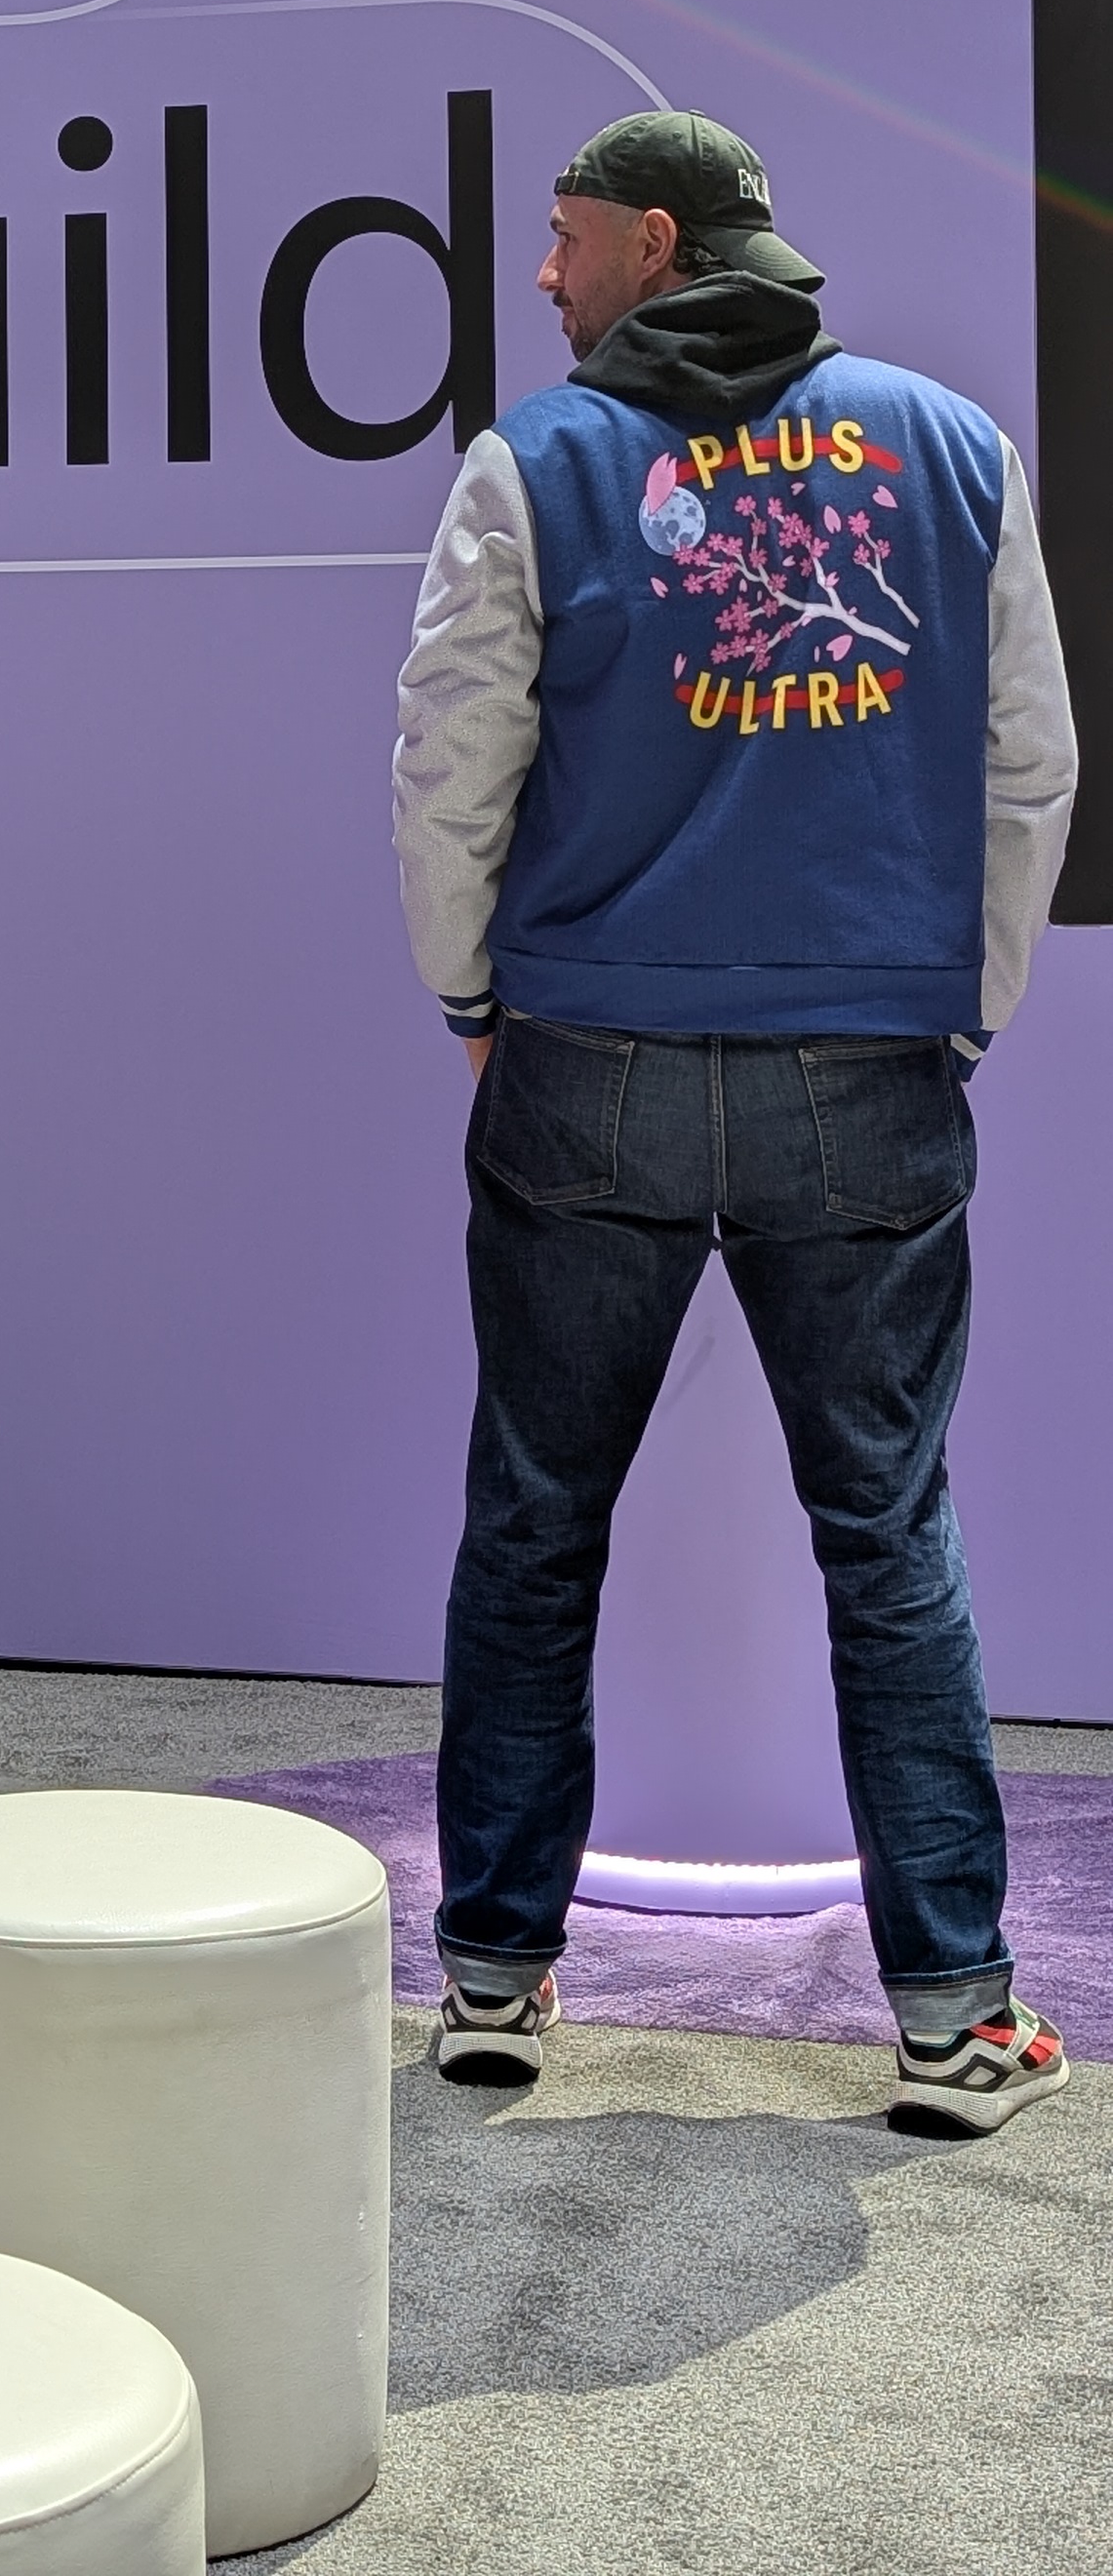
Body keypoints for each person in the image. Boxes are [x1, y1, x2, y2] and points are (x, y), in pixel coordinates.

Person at [391, 110, 1076, 2135]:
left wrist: (468, 995)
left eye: (565, 238)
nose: (543, 277)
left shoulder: (537, 464)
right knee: (888, 1538)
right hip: (861, 1079)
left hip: (584, 1067)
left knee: (534, 1524)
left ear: (658, 241)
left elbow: (452, 767)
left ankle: (499, 1988)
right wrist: (957, 1016)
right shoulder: (949, 449)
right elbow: (1027, 767)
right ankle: (956, 2018)